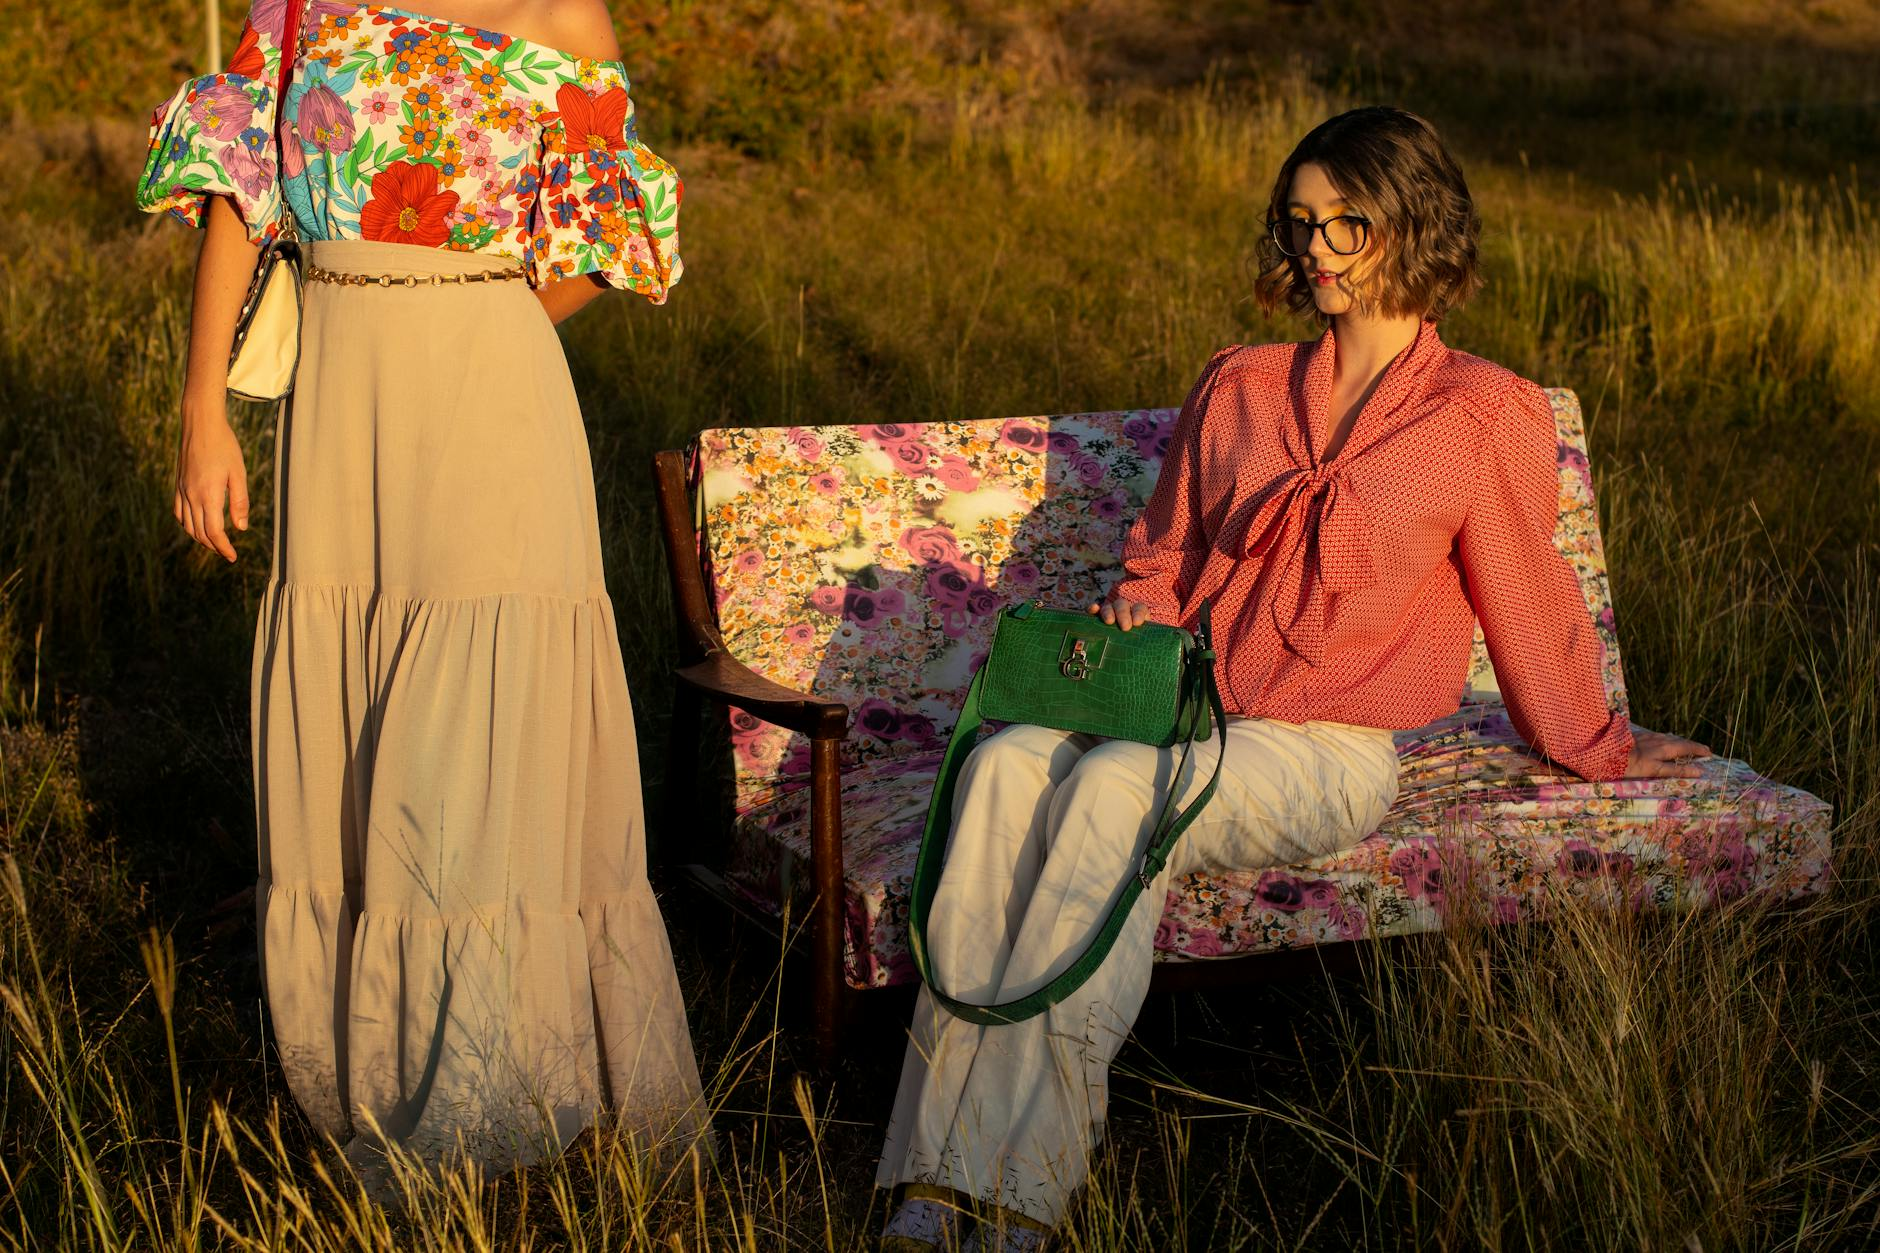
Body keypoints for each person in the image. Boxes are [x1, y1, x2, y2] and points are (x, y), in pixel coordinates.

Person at [872, 106, 1712, 1251]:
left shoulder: (1478, 412)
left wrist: (1593, 739)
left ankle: (1017, 1188)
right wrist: (1141, 604)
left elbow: (1526, 593)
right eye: (1300, 222)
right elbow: (1161, 555)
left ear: (1410, 224)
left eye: (1345, 224)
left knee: (1119, 788)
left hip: (1325, 749)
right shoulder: (1242, 386)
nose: (1314, 248)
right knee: (1009, 760)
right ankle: (929, 1171)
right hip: (1182, 708)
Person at [136, 0, 706, 1184]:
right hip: (341, 406)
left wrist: (467, 314)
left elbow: (605, 233)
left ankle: (474, 1088)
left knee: (469, 725)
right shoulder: (301, 6)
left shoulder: (564, 14)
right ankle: (374, 1053)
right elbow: (242, 196)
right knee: (355, 722)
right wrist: (202, 412)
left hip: (493, 397)